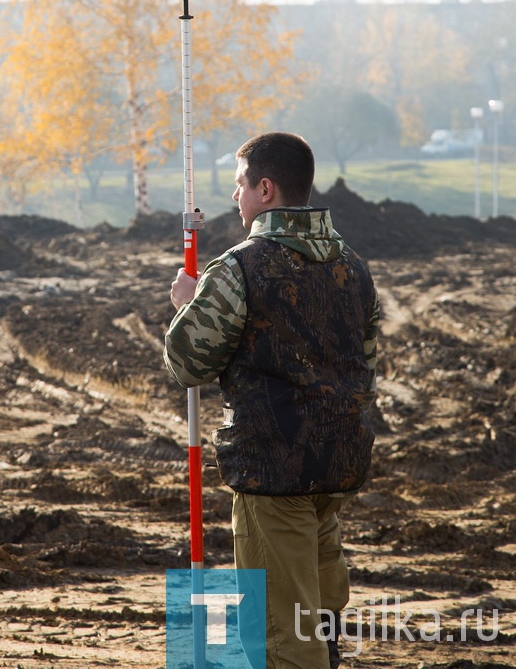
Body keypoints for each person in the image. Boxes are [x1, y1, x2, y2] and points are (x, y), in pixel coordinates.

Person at [164, 132, 379, 669]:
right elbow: (366, 364)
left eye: (240, 184)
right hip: (337, 465)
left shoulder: (240, 268)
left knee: (284, 633)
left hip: (272, 471)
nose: (234, 197)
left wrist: (189, 307)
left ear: (265, 188)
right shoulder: (353, 266)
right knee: (320, 608)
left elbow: (188, 363)